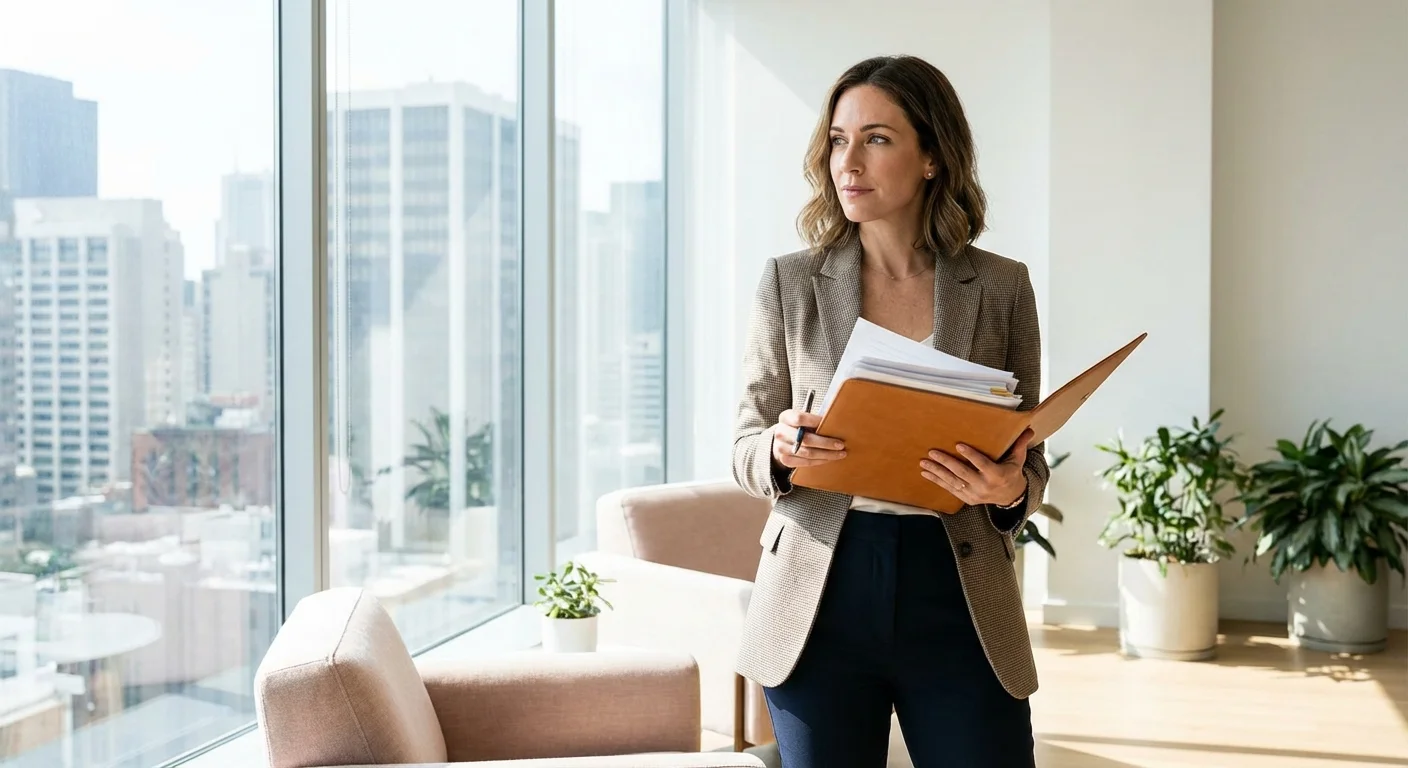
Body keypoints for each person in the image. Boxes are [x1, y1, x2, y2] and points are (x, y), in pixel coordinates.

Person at [731, 54, 1047, 768]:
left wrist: (1011, 490)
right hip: (820, 593)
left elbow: (1029, 454)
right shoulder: (788, 282)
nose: (850, 161)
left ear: (932, 156)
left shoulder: (1000, 287)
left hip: (957, 587)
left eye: (876, 139)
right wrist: (779, 453)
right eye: (838, 140)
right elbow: (745, 443)